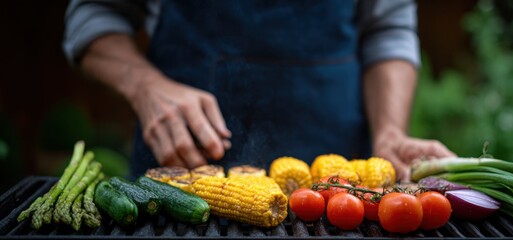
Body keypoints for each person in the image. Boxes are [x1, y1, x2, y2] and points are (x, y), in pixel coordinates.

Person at [63, 0, 455, 181]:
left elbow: (387, 29)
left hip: (339, 166)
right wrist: (145, 86)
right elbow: (91, 13)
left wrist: (389, 130)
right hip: (183, 167)